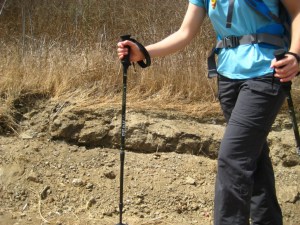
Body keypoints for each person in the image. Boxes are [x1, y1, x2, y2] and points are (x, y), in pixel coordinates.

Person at [117, 0, 300, 224]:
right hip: (228, 78)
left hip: (266, 72)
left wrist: (295, 55)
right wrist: (143, 52)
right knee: (253, 156)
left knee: (233, 158)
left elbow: (297, 11)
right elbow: (184, 33)